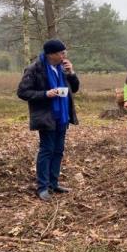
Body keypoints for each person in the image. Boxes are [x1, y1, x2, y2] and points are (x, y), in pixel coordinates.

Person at [17, 39, 80, 201]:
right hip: (46, 116)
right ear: (51, 54)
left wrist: (72, 73)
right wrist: (46, 94)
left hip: (63, 116)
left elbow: (75, 88)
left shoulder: (63, 68)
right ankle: (42, 187)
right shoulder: (34, 69)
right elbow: (23, 92)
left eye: (64, 52)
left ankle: (53, 183)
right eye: (61, 53)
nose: (64, 55)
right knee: (47, 150)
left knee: (58, 150)